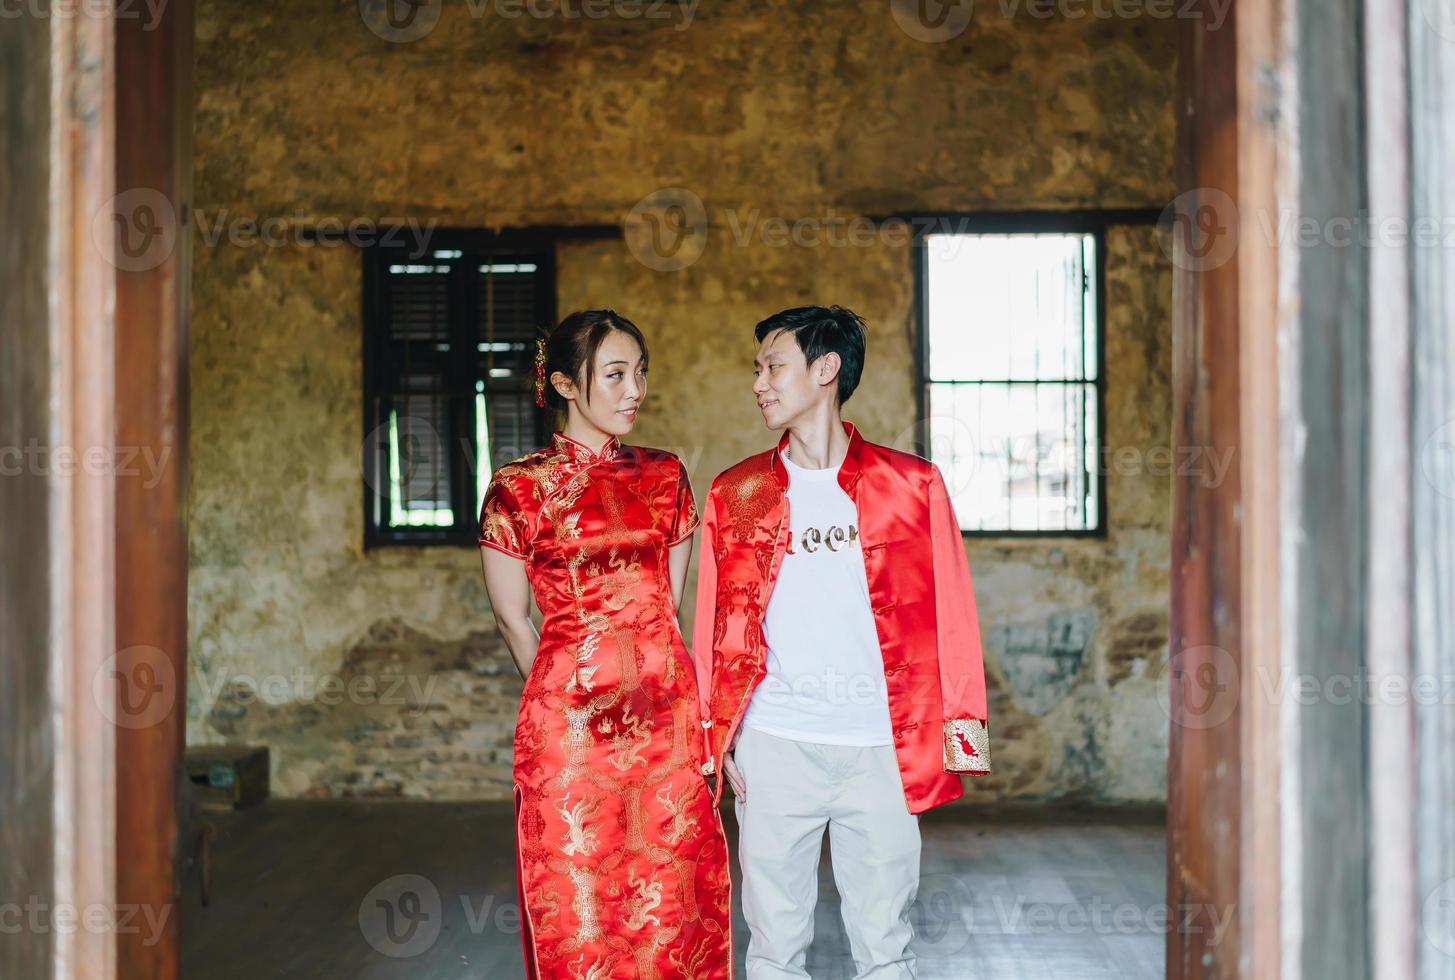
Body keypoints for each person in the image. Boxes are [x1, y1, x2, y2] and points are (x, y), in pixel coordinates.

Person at [692, 305, 991, 979]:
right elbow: (713, 621)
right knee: (773, 946)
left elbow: (954, 616)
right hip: (775, 745)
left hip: (882, 747)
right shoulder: (734, 493)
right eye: (757, 369)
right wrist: (716, 737)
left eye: (772, 366)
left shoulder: (912, 486)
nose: (758, 383)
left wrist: (958, 741)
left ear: (824, 369)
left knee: (885, 944)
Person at [479, 309, 731, 979]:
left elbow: (667, 609)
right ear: (563, 383)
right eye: (615, 374)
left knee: (674, 901)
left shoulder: (666, 475)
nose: (634, 391)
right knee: (578, 906)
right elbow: (513, 618)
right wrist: (567, 703)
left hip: (664, 722)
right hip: (568, 730)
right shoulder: (517, 487)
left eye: (640, 373)